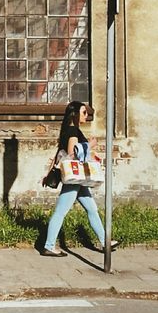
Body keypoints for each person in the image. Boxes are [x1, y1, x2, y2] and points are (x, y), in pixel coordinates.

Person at [41, 100, 119, 257]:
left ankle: (105, 242)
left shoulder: (71, 130)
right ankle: (49, 245)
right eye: (84, 112)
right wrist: (90, 145)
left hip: (78, 178)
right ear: (75, 114)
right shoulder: (72, 131)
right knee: (61, 212)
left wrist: (48, 172)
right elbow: (72, 155)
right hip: (74, 178)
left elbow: (59, 152)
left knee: (92, 209)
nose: (86, 115)